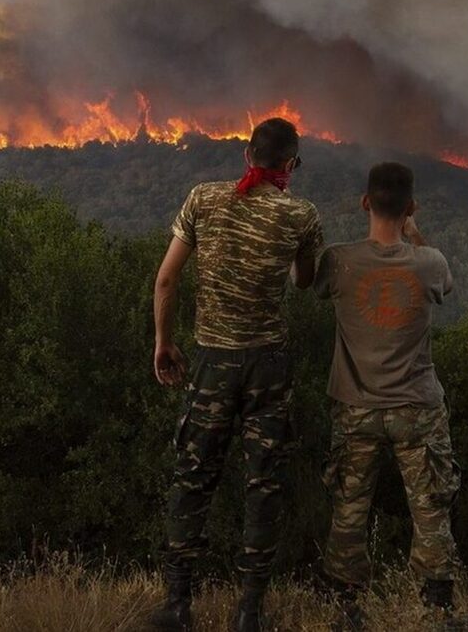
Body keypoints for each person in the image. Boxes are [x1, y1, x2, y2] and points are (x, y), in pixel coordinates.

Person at [148, 117, 324, 632]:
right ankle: (250, 612)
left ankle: (178, 606)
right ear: (289, 165)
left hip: (212, 361)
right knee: (262, 484)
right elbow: (304, 281)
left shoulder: (203, 199)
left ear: (248, 156)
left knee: (193, 478)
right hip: (267, 365)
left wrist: (164, 342)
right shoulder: (301, 215)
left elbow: (165, 280)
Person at [314, 162, 466, 631]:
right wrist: (414, 235)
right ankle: (437, 612)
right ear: (410, 208)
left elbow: (311, 285)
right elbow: (446, 285)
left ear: (365, 202)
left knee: (349, 506)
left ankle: (345, 609)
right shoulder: (429, 262)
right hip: (416, 409)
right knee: (429, 506)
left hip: (355, 408)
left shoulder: (337, 261)